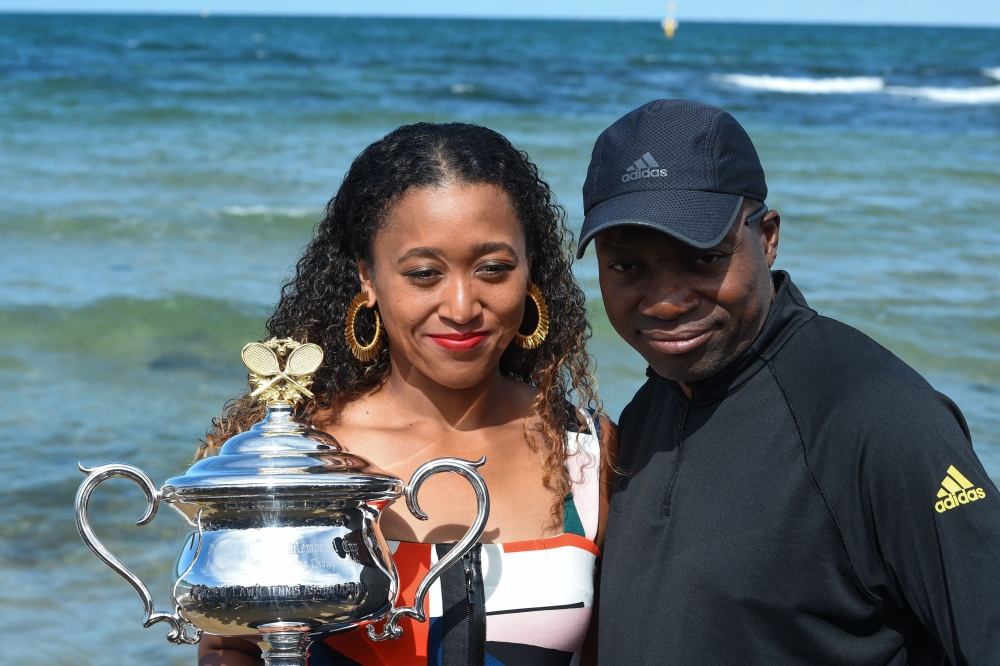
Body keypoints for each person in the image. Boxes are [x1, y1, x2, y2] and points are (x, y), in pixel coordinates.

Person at [578, 99, 1000, 664]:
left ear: (768, 236)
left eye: (702, 259)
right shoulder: (646, 411)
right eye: (627, 267)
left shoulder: (879, 420)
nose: (665, 301)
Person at [196, 122, 615, 666]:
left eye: (493, 268)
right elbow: (231, 649)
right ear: (366, 276)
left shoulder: (585, 451)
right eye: (424, 273)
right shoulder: (296, 456)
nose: (462, 306)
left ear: (530, 268)